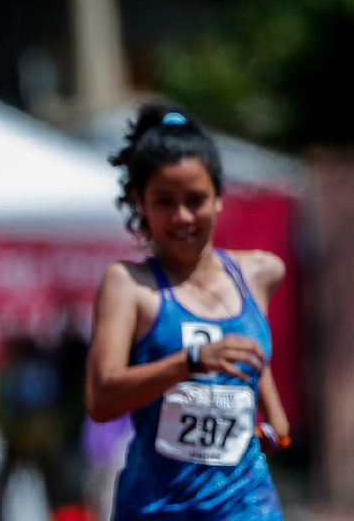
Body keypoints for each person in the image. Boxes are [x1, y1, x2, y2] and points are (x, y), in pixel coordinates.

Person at [84, 102, 291, 520]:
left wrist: (271, 431)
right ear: (139, 201)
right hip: (159, 508)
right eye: (164, 201)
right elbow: (100, 399)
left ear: (218, 197)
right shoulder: (130, 285)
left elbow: (262, 388)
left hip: (247, 506)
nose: (181, 216)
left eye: (195, 199)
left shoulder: (260, 273)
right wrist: (191, 361)